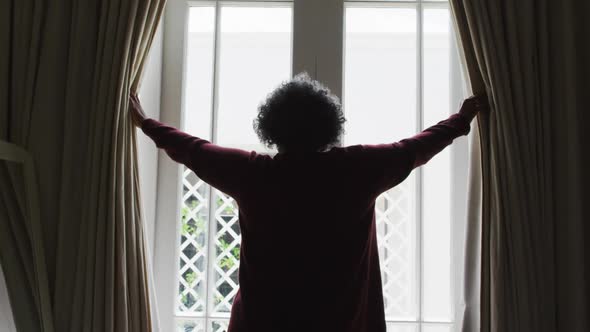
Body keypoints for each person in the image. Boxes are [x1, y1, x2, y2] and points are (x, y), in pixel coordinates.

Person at [129, 73, 486, 332]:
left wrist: (147, 124)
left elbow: (194, 150)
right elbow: (416, 147)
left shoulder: (253, 174)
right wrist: (461, 119)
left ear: (271, 128)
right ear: (330, 125)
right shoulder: (358, 169)